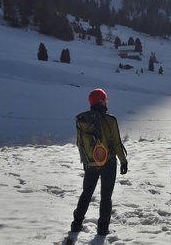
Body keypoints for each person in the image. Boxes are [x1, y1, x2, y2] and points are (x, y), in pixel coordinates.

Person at [71, 88, 128, 236]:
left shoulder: (83, 119)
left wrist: (87, 160)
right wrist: (123, 161)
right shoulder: (110, 120)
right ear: (102, 101)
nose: (107, 101)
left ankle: (76, 224)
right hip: (108, 162)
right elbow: (116, 143)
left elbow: (80, 143)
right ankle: (102, 228)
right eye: (105, 99)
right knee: (106, 195)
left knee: (86, 193)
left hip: (90, 163)